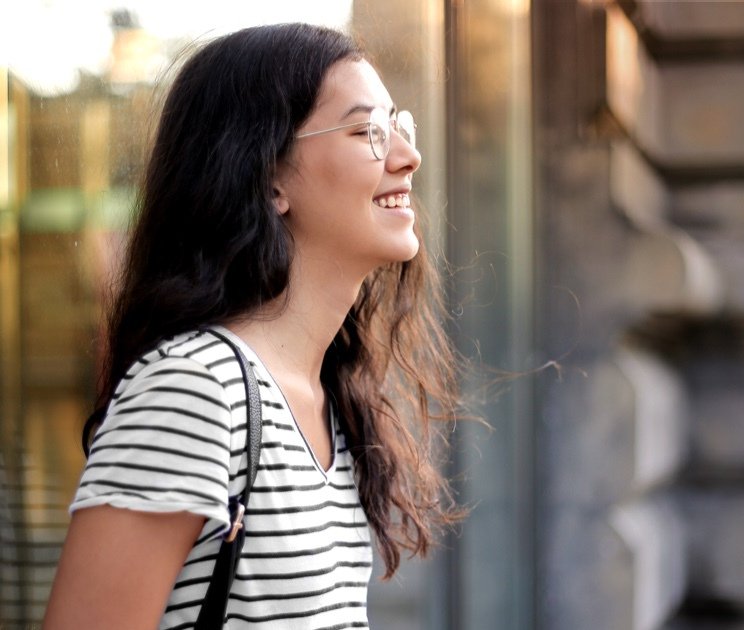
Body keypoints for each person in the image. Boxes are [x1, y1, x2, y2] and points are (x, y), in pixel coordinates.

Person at [43, 22, 464, 629]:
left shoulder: (326, 401)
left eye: (399, 126)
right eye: (367, 130)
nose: (407, 155)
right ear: (269, 177)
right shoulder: (193, 389)